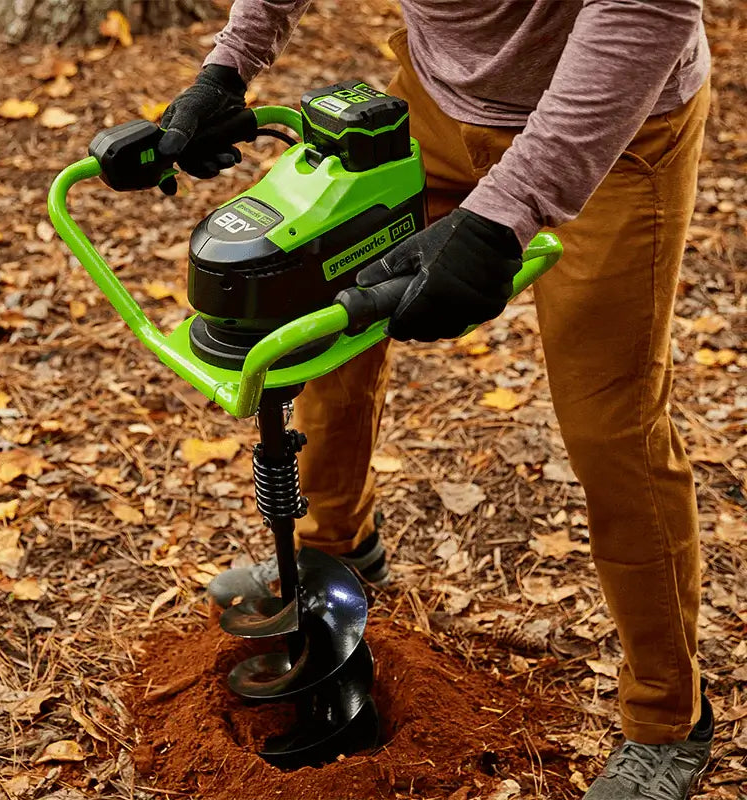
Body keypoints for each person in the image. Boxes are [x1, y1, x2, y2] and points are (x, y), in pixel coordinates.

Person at [157, 2, 715, 797]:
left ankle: (670, 717)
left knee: (610, 426)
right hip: (431, 104)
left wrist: (500, 217)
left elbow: (645, 8)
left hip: (614, 131)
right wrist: (229, 66)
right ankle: (336, 550)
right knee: (325, 330)